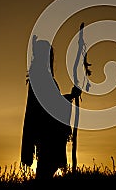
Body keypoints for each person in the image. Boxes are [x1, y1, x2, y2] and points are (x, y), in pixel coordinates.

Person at [21, 38, 82, 179]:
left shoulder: (40, 77)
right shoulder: (41, 77)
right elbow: (52, 103)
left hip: (47, 133)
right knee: (46, 169)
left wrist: (69, 96)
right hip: (47, 134)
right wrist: (71, 96)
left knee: (47, 169)